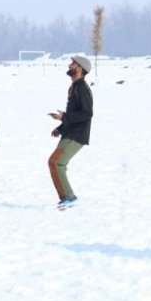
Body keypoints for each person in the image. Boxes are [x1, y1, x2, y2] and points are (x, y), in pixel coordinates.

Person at [48, 55, 94, 210]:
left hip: (77, 135)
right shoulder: (75, 86)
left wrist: (64, 117)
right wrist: (60, 128)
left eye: (73, 64)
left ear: (80, 68)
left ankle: (69, 197)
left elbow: (87, 113)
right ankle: (66, 197)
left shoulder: (81, 87)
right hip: (69, 133)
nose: (69, 65)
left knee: (56, 162)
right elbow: (75, 113)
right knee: (56, 163)